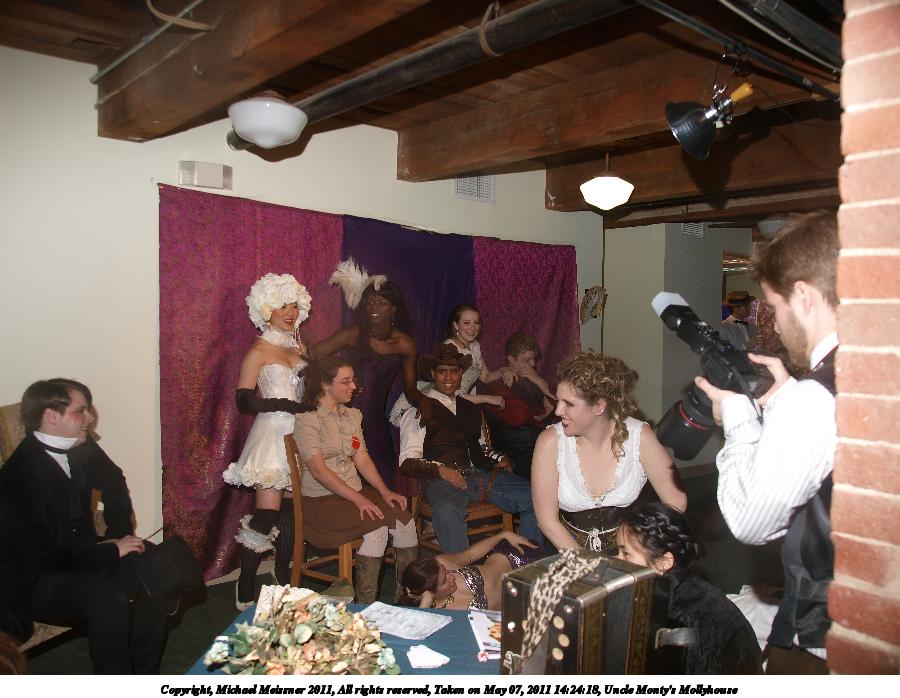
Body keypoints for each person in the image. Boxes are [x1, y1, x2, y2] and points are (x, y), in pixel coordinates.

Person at [694, 211, 839, 673]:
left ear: (805, 296)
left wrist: (738, 420)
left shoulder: (813, 399)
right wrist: (784, 399)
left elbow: (751, 522)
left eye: (775, 307)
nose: (774, 325)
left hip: (822, 633)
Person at [0, 380, 169, 673]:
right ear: (51, 416)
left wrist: (118, 535)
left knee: (156, 566)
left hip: (79, 554)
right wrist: (111, 551)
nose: (89, 417)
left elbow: (114, 481)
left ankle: (143, 674)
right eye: (81, 411)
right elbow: (48, 558)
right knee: (107, 597)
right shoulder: (17, 479)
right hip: (34, 580)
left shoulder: (78, 443)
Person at [531, 352, 686, 555]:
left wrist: (642, 546)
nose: (558, 411)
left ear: (599, 406)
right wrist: (588, 565)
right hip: (567, 553)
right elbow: (546, 521)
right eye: (559, 400)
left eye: (568, 403)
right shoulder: (550, 442)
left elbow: (676, 501)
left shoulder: (639, 436)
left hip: (628, 555)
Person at [223, 272, 313, 610]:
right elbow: (244, 400)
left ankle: (284, 576)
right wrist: (281, 405)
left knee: (292, 509)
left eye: (294, 306)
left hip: (300, 433)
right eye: (281, 306)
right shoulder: (259, 349)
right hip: (272, 434)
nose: (290, 312)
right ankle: (245, 583)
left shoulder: (300, 347)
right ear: (266, 309)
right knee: (267, 513)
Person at [293, 357, 418, 603]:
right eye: (345, 381)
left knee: (405, 520)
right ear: (325, 384)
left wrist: (384, 491)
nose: (353, 386)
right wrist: (359, 500)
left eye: (353, 380)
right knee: (377, 525)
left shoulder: (351, 415)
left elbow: (362, 458)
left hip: (354, 495)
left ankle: (407, 598)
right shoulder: (307, 417)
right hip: (322, 503)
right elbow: (318, 471)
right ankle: (365, 605)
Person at [398, 343, 542, 553]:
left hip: (482, 475)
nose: (449, 378)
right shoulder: (419, 411)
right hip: (444, 480)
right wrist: (441, 470)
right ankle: (461, 569)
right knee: (447, 510)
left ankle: (527, 560)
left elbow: (482, 447)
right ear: (433, 374)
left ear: (460, 374)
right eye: (442, 372)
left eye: (454, 372)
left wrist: (498, 458)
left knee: (537, 496)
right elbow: (407, 461)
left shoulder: (471, 409)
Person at [313, 259, 431, 488]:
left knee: (381, 486)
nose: (373, 308)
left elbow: (410, 389)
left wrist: (424, 401)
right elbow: (313, 356)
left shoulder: (405, 344)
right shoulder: (353, 333)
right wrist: (334, 384)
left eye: (381, 303)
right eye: (369, 303)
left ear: (394, 308)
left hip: (375, 427)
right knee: (342, 487)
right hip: (342, 421)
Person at [617, 502, 761, 674]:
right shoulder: (681, 585)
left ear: (663, 562)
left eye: (626, 553)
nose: (617, 560)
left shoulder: (681, 617)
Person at [398, 530, 541, 611]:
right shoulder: (441, 615)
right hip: (519, 605)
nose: (451, 576)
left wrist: (503, 535)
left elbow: (470, 555)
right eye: (444, 581)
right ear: (430, 594)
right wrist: (425, 606)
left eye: (446, 571)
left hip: (517, 561)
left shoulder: (440, 561)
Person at [481, 331, 556, 479]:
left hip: (533, 442)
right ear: (511, 359)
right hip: (513, 449)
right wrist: (545, 413)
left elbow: (562, 403)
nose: (533, 364)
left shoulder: (533, 380)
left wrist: (540, 382)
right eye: (527, 360)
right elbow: (519, 416)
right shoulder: (497, 385)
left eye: (534, 359)